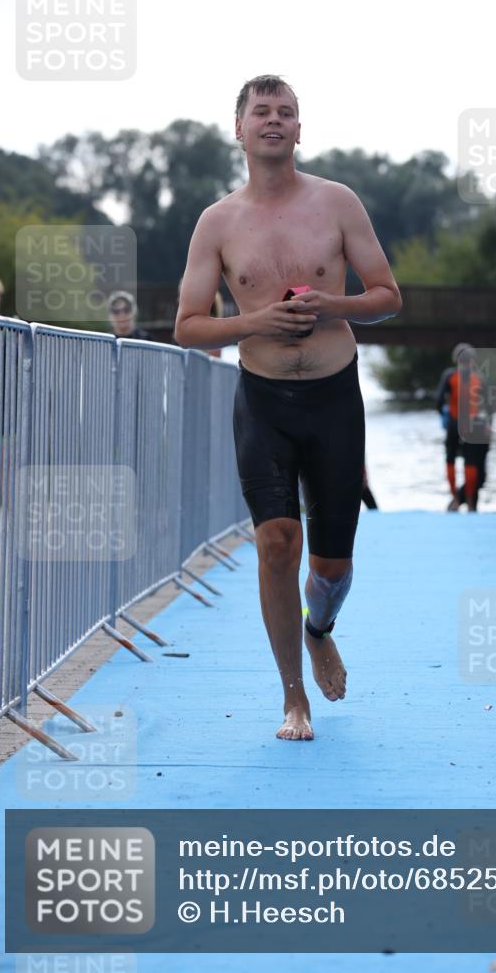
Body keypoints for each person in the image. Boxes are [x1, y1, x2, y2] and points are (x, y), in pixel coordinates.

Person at [174, 74, 401, 741]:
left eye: (286, 112)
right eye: (261, 112)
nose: (273, 121)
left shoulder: (336, 204)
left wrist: (333, 305)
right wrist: (257, 321)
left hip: (334, 395)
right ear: (239, 130)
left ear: (299, 129)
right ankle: (292, 699)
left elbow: (388, 296)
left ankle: (319, 628)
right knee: (277, 542)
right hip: (263, 400)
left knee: (331, 566)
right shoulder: (216, 222)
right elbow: (187, 326)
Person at [436, 343, 490, 512]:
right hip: (472, 425)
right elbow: (488, 406)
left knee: (450, 458)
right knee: (471, 461)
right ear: (472, 360)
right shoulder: (479, 378)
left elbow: (438, 401)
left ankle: (455, 498)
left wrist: (444, 417)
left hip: (453, 423)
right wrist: (488, 424)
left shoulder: (450, 376)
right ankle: (471, 503)